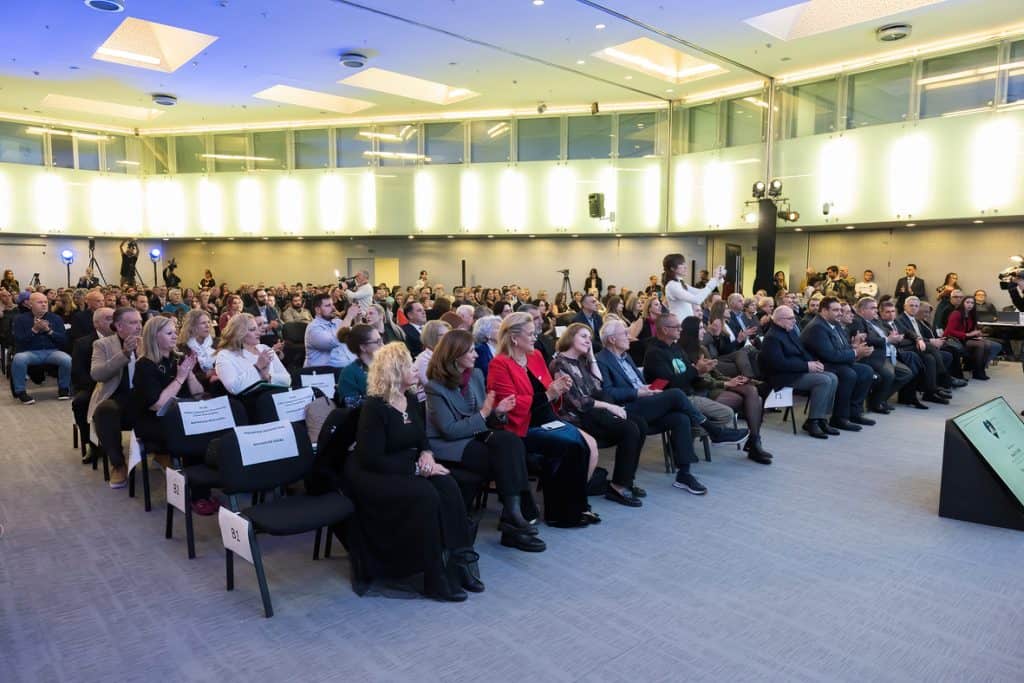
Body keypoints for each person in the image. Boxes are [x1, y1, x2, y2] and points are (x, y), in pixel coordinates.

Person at [349, 342, 481, 602]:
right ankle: (434, 575)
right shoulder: (375, 407)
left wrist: (427, 454)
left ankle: (459, 560)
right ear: (394, 371)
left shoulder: (409, 398)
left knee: (447, 484)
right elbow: (371, 458)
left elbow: (421, 437)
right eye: (409, 366)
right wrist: (418, 469)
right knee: (426, 496)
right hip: (377, 472)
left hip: (409, 463)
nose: (414, 369)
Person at [424, 330, 546, 552]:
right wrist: (484, 414)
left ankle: (513, 514)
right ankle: (513, 521)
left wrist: (498, 412)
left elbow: (486, 418)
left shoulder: (476, 375)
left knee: (511, 442)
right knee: (506, 458)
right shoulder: (435, 387)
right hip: (450, 444)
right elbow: (450, 430)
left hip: (475, 435)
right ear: (455, 354)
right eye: (471, 351)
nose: (476, 355)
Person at [486, 312, 596, 527]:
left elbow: (548, 390)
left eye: (535, 332)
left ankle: (576, 507)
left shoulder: (535, 356)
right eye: (530, 334)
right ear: (514, 338)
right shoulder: (499, 364)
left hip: (547, 418)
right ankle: (561, 515)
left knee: (581, 444)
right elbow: (510, 404)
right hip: (523, 426)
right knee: (570, 446)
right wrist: (549, 394)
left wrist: (560, 387)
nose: (535, 337)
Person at [550, 324, 645, 506]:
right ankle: (618, 487)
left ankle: (626, 481)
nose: (588, 341)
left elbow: (597, 385)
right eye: (583, 336)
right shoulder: (559, 363)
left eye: (590, 338)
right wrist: (610, 407)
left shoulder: (580, 361)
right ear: (570, 337)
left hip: (594, 414)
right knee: (630, 429)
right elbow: (578, 402)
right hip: (578, 418)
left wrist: (592, 356)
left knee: (640, 423)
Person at [132, 316, 216, 514]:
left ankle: (203, 488)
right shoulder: (144, 365)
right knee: (193, 435)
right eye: (169, 333)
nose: (175, 336)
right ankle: (197, 495)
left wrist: (190, 374)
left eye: (175, 332)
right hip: (154, 421)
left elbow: (198, 394)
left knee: (210, 430)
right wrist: (180, 378)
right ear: (154, 337)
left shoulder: (178, 358)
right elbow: (158, 405)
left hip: (181, 415)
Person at [678, 317, 773, 463]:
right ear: (692, 331)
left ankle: (755, 440)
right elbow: (697, 382)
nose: (704, 330)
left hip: (714, 386)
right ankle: (754, 443)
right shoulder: (682, 352)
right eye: (701, 328)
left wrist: (731, 380)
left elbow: (716, 374)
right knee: (755, 399)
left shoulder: (702, 349)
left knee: (753, 393)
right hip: (701, 391)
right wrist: (725, 384)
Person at [759, 307, 840, 439]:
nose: (794, 321)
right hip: (782, 377)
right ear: (779, 320)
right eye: (790, 318)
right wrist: (807, 366)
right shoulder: (772, 337)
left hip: (796, 371)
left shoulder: (789, 331)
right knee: (824, 380)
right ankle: (812, 421)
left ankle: (821, 419)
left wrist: (813, 362)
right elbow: (778, 364)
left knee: (833, 377)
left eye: (794, 317)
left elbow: (802, 351)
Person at [800, 297, 875, 431]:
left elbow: (843, 348)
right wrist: (855, 352)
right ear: (824, 311)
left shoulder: (835, 325)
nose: (840, 313)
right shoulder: (817, 327)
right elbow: (830, 355)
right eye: (835, 310)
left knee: (866, 371)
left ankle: (854, 413)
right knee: (848, 374)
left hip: (834, 362)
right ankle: (839, 418)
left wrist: (855, 349)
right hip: (820, 364)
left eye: (840, 310)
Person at [88, 307, 143, 487]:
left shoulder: (148, 341)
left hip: (144, 395)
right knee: (105, 411)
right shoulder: (102, 344)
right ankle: (118, 464)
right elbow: (97, 374)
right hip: (117, 396)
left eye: (140, 322)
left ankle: (163, 453)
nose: (139, 326)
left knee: (168, 404)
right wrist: (124, 354)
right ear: (119, 326)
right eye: (133, 322)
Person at [848, 298, 919, 412]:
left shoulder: (875, 321)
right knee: (889, 374)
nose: (876, 311)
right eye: (873, 308)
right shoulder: (858, 321)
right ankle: (876, 403)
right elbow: (866, 339)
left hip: (889, 353)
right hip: (874, 355)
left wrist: (893, 336)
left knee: (906, 373)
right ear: (862, 310)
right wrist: (887, 339)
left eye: (876, 308)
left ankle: (880, 399)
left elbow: (887, 331)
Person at [11, 292, 72, 405]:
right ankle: (21, 391)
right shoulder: (20, 319)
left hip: (51, 351)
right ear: (30, 304)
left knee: (66, 359)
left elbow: (63, 340)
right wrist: (34, 330)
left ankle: (64, 388)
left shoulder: (56, 318)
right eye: (40, 302)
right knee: (18, 359)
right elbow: (19, 341)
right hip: (30, 352)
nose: (44, 304)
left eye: (45, 302)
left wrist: (49, 331)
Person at [71, 306, 113, 463]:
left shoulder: (124, 340)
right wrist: (99, 387)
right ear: (96, 323)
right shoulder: (82, 343)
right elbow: (78, 372)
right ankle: (92, 444)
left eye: (115, 318)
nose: (113, 322)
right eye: (108, 319)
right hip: (93, 385)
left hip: (118, 385)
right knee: (80, 402)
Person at [214, 313, 290, 397]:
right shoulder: (224, 355)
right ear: (239, 332)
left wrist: (268, 377)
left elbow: (287, 380)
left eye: (257, 328)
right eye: (252, 329)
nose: (258, 333)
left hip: (277, 396)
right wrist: (257, 367)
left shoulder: (264, 348)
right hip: (251, 402)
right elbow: (234, 388)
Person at [944, 295, 1000, 380]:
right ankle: (977, 371)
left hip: (965, 338)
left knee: (987, 344)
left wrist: (976, 334)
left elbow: (970, 330)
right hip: (954, 339)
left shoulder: (971, 314)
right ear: (963, 303)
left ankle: (980, 370)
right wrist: (968, 335)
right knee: (980, 345)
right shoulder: (956, 313)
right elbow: (950, 331)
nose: (970, 305)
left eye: (972, 303)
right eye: (967, 302)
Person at [304, 293, 360, 369]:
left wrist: (357, 318)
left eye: (332, 304)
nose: (333, 308)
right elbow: (335, 341)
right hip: (323, 372)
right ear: (318, 310)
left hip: (346, 368)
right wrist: (349, 316)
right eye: (328, 305)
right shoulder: (313, 328)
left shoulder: (337, 322)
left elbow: (357, 336)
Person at [663, 253, 723, 321]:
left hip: (685, 321)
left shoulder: (680, 283)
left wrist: (716, 279)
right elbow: (697, 300)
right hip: (679, 322)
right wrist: (714, 281)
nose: (685, 267)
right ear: (672, 268)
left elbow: (700, 292)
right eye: (681, 264)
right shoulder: (672, 285)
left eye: (684, 264)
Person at [337, 324, 381, 408]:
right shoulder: (349, 372)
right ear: (363, 347)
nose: (382, 344)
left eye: (381, 340)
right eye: (377, 341)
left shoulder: (387, 365)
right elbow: (352, 405)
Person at [178, 309, 217, 385]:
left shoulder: (217, 343)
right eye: (203, 323)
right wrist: (207, 374)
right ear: (192, 326)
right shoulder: (182, 348)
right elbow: (185, 377)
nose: (207, 326)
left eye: (209, 322)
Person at [413, 320, 451, 386]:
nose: (448, 339)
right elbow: (431, 386)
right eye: (443, 335)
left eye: (449, 335)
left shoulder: (447, 354)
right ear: (431, 337)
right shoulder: (423, 359)